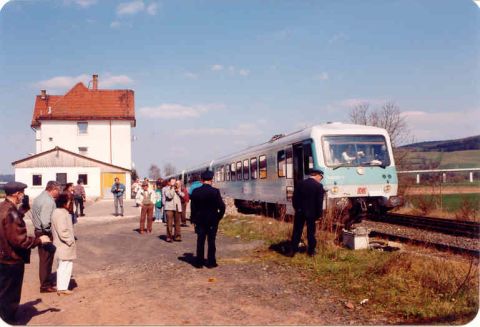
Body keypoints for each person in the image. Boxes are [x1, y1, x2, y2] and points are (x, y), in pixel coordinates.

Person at [0, 182, 50, 324]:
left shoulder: (3, 207)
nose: (23, 195)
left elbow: (8, 225)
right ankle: (7, 322)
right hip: (12, 260)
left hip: (3, 257)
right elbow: (20, 240)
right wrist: (39, 241)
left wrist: (22, 211)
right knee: (11, 295)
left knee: (3, 291)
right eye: (22, 192)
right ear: (16, 194)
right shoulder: (11, 212)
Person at [190, 170, 226, 268]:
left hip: (200, 220)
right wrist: (219, 217)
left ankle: (199, 263)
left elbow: (193, 208)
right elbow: (222, 207)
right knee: (211, 241)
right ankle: (211, 262)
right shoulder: (215, 191)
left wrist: (193, 219)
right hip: (212, 221)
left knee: (200, 241)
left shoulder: (195, 192)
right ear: (211, 179)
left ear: (202, 180)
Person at [31, 180, 61, 293]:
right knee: (46, 259)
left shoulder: (40, 197)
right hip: (44, 232)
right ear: (53, 189)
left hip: (38, 231)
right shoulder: (49, 201)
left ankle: (46, 281)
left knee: (45, 258)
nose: (58, 193)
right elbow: (45, 222)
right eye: (58, 190)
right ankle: (45, 285)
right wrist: (49, 231)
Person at [289, 169, 325, 257]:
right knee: (311, 232)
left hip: (300, 212)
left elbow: (294, 199)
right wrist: (319, 215)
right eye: (321, 177)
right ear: (317, 175)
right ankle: (311, 252)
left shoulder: (300, 184)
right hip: (312, 214)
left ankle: (293, 251)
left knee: (297, 231)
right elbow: (319, 202)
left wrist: (297, 209)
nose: (321, 178)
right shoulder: (319, 186)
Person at [52, 192, 77, 295]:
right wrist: (70, 241)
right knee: (65, 266)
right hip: (64, 245)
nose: (70, 203)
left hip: (60, 245)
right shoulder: (62, 213)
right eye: (69, 201)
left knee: (62, 266)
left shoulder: (56, 212)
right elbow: (63, 231)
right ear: (65, 202)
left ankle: (61, 286)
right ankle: (62, 288)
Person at [162, 177, 184, 242]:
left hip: (177, 207)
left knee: (177, 223)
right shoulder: (166, 189)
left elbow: (183, 195)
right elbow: (169, 196)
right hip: (169, 208)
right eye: (172, 182)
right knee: (169, 223)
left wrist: (178, 191)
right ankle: (169, 237)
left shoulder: (178, 188)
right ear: (169, 182)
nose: (174, 183)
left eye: (175, 181)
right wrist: (173, 189)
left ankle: (177, 236)